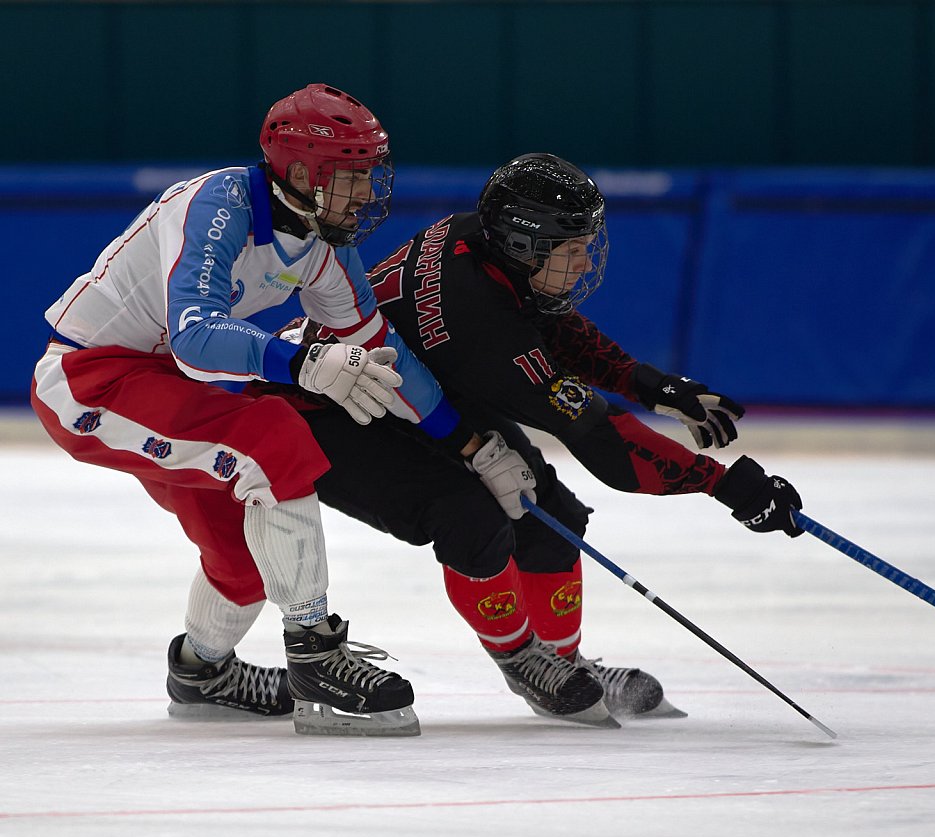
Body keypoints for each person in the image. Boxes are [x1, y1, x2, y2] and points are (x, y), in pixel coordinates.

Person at [30, 84, 534, 737]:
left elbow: (378, 347)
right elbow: (193, 333)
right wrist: (300, 362)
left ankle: (201, 670)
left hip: (170, 382)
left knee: (242, 556)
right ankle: (315, 652)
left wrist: (470, 444)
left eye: (369, 176)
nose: (365, 194)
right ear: (300, 173)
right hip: (90, 377)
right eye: (351, 177)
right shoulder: (216, 208)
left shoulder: (325, 241)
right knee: (273, 436)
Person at [260, 153, 803, 728]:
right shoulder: (479, 324)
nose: (585, 261)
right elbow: (603, 443)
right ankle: (521, 658)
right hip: (328, 413)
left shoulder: (480, 245)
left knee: (551, 515)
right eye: (572, 250)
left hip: (413, 393)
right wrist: (727, 486)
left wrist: (650, 384)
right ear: (525, 246)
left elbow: (549, 322)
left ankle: (564, 662)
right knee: (470, 518)